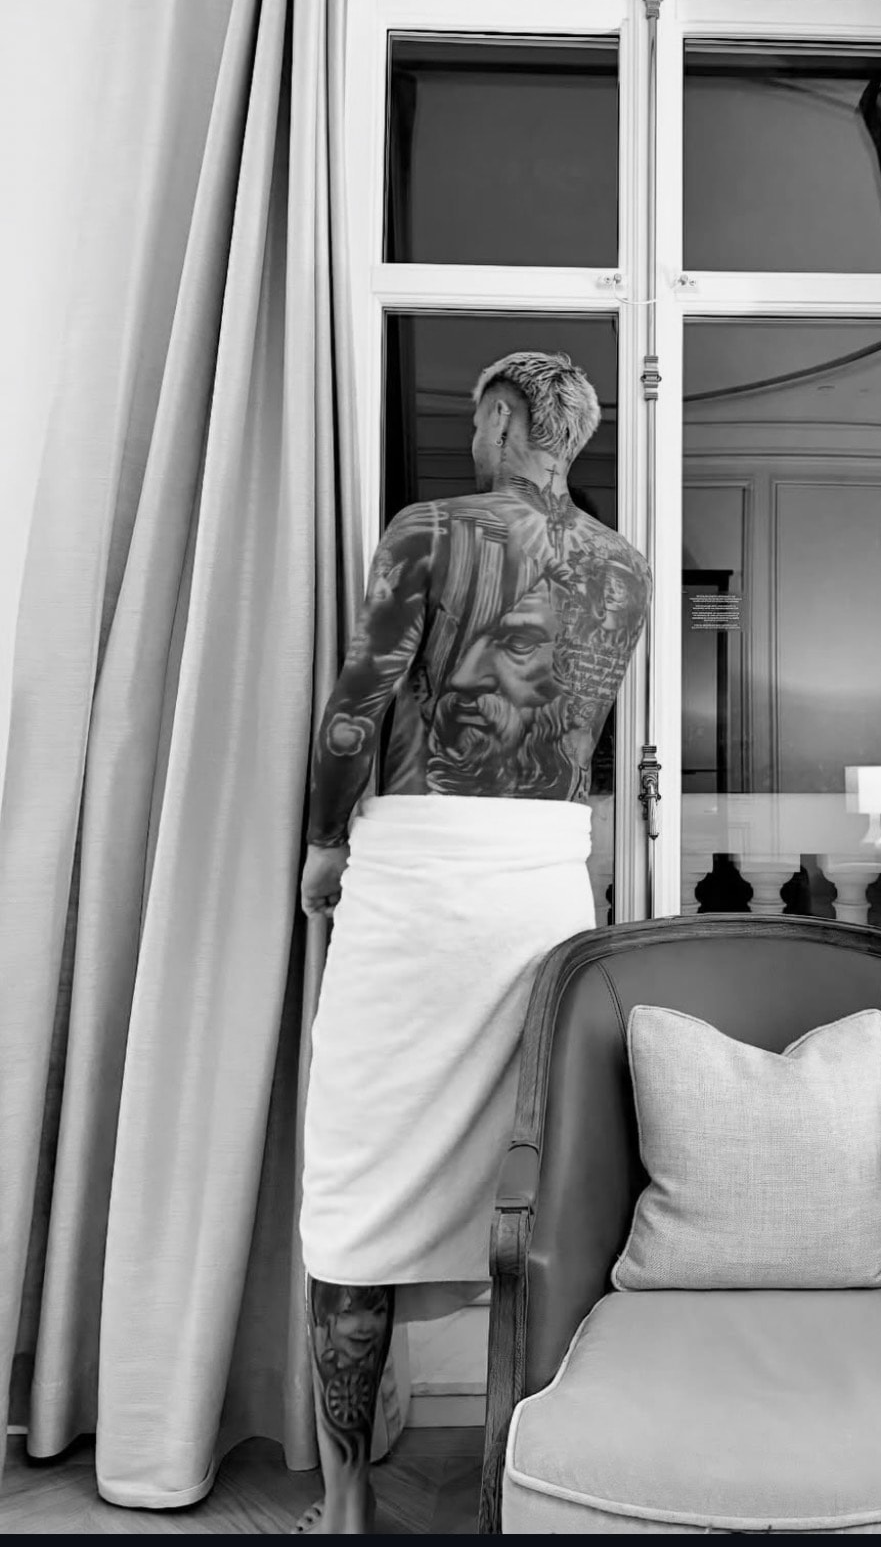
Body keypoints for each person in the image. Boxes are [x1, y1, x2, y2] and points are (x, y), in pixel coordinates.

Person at [296, 352, 650, 1534]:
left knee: (359, 1191)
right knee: (527, 1191)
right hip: (545, 886)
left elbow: (359, 704)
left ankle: (349, 1506)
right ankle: (518, 1484)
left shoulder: (430, 529)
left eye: (474, 418)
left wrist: (324, 843)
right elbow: (578, 729)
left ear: (500, 419)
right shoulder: (624, 569)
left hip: (421, 879)